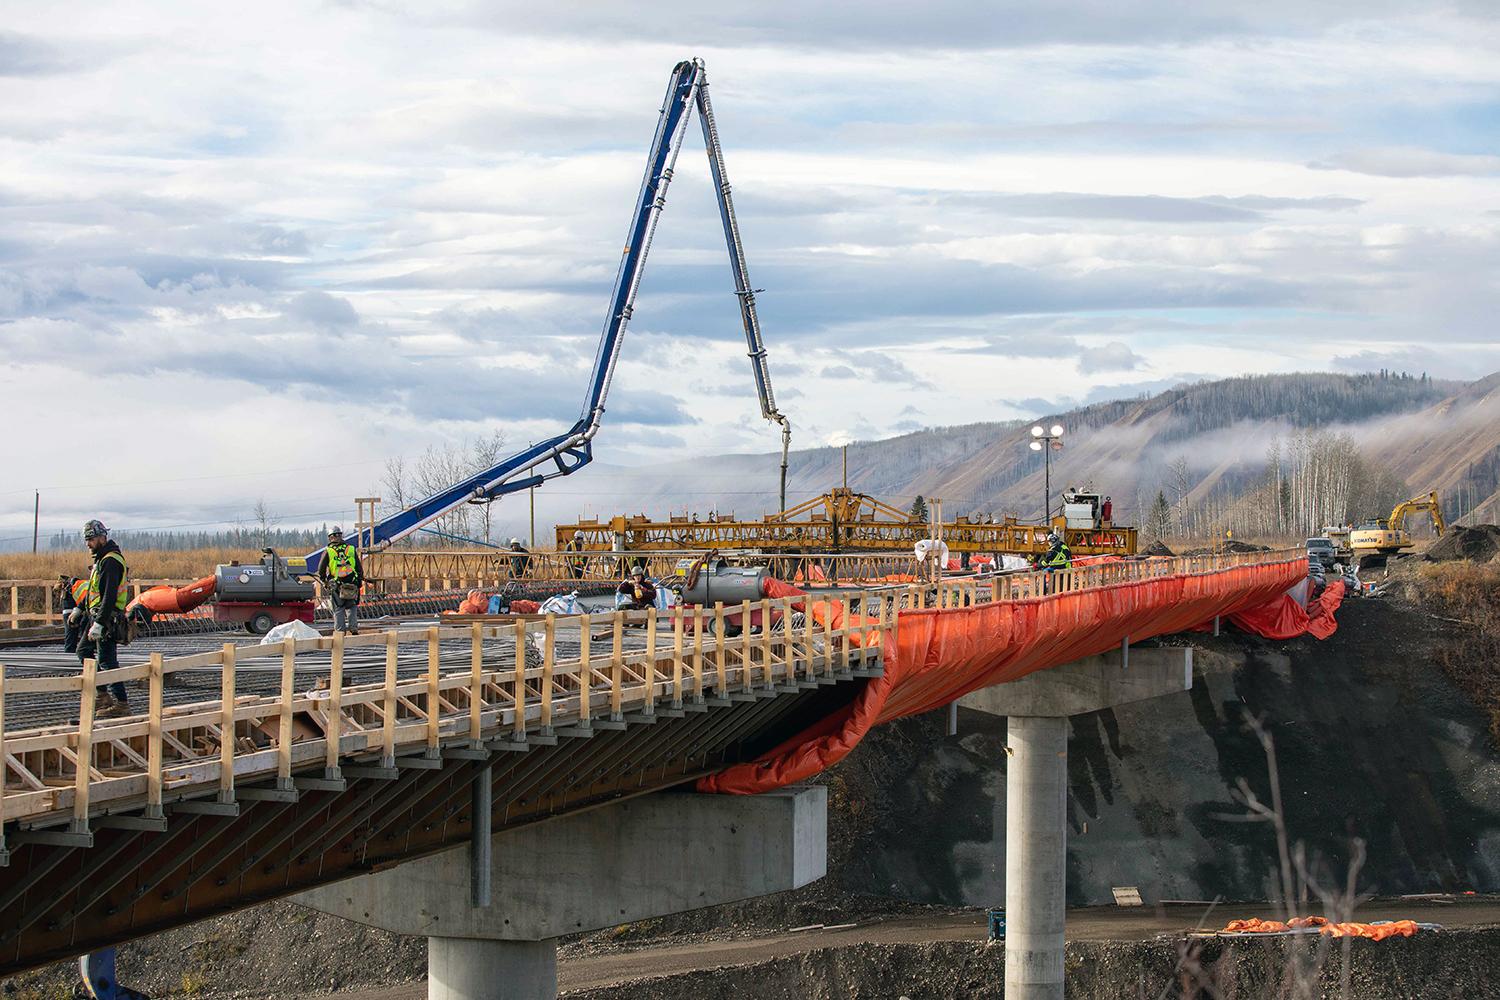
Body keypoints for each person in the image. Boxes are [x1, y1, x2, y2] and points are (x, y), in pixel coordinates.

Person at [75, 520, 131, 717]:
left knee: (107, 660)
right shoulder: (101, 559)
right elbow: (94, 590)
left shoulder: (111, 561)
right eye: (87, 540)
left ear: (102, 538)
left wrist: (99, 623)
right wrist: (80, 608)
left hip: (108, 618)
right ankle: (102, 694)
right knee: (83, 650)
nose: (88, 544)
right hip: (97, 615)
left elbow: (109, 596)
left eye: (90, 539)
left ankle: (121, 703)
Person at [319, 526, 364, 634]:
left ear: (330, 538)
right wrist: (359, 580)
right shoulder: (351, 549)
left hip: (337, 585)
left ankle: (340, 632)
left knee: (338, 608)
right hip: (352, 583)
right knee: (352, 606)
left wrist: (324, 581)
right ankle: (353, 629)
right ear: (341, 536)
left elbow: (321, 569)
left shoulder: (328, 551)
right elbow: (359, 567)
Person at [58, 573, 90, 653]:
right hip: (78, 608)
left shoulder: (72, 588)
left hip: (74, 608)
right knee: (81, 630)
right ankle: (83, 649)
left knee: (72, 632)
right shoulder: (84, 586)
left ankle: (71, 650)